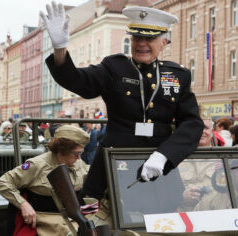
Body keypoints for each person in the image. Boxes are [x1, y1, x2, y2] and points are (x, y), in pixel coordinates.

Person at [42, 3, 203, 212]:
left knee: (161, 222)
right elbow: (78, 81)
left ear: (164, 42)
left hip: (158, 168)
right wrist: (59, 49)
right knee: (104, 222)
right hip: (116, 163)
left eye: (149, 38)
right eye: (137, 37)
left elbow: (192, 123)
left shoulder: (177, 75)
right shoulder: (114, 67)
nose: (141, 44)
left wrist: (165, 155)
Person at [0, 125, 90, 236]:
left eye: (80, 153)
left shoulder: (78, 162)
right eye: (76, 153)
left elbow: (90, 175)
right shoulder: (37, 165)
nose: (79, 158)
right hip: (47, 219)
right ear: (62, 149)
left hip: (76, 216)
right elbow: (2, 183)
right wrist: (23, 204)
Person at [178, 106, 217, 211]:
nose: (202, 131)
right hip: (183, 216)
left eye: (206, 128)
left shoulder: (222, 159)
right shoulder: (175, 158)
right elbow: (164, 192)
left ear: (212, 131)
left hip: (214, 215)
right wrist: (181, 197)